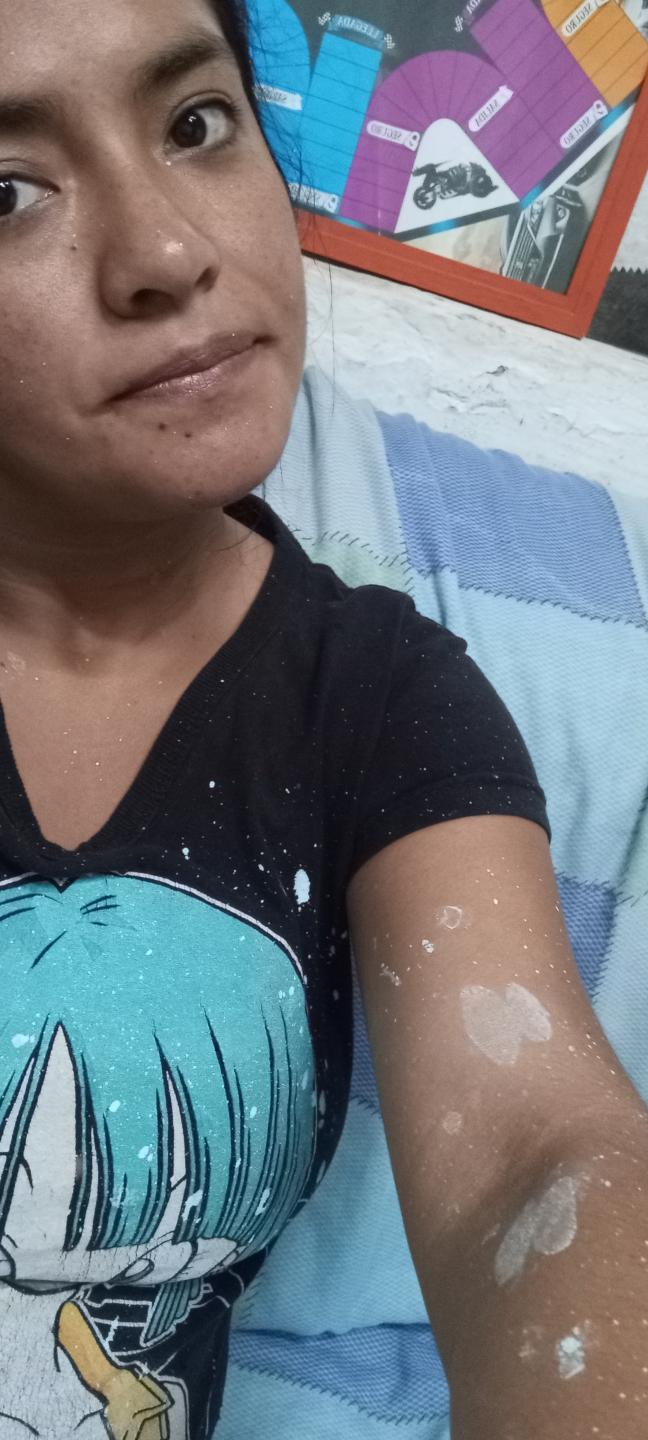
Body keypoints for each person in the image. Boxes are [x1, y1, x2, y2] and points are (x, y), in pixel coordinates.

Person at [0, 1, 646, 1437]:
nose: (167, 251)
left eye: (196, 124)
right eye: (7, 193)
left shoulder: (380, 701)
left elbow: (530, 1160)